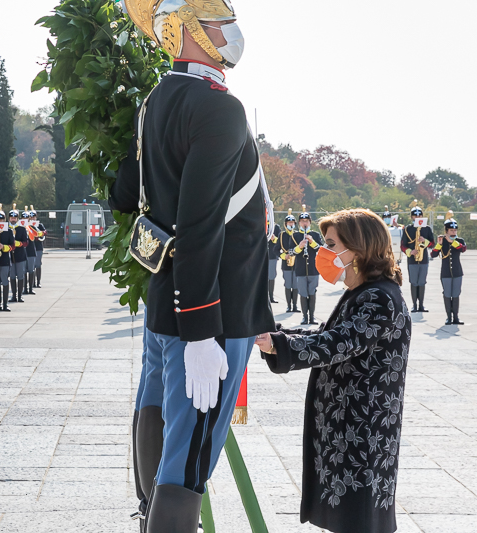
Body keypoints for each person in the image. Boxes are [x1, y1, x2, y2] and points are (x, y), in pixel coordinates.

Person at [111, 2, 275, 530]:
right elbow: (201, 224)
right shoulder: (219, 108)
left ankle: (145, 515)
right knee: (189, 457)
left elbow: (123, 194)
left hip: (165, 304)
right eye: (216, 20)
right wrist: (203, 331)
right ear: (184, 29)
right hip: (210, 312)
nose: (230, 32)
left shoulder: (155, 101)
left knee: (155, 412)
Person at [255, 208, 411, 533]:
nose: (323, 252)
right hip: (345, 433)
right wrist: (273, 334)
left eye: (330, 244)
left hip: (363, 438)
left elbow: (338, 343)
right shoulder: (361, 293)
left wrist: (278, 346)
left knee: (359, 521)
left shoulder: (379, 298)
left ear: (357, 249)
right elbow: (324, 335)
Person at [432, 217, 466, 325]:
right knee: (447, 294)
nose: (453, 232)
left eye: (455, 230)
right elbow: (433, 254)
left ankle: (455, 317)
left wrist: (452, 242)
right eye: (451, 230)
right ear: (446, 231)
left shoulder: (459, 240)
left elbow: (463, 249)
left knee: (455, 294)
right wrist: (439, 244)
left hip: (457, 272)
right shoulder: (442, 241)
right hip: (446, 272)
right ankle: (448, 317)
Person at [400, 205, 434, 312]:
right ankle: (414, 305)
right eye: (415, 215)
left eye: (420, 215)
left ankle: (421, 305)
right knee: (414, 282)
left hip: (423, 259)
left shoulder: (427, 228)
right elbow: (403, 245)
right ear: (412, 217)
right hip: (412, 260)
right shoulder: (408, 229)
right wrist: (410, 252)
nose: (418, 217)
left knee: (422, 282)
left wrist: (425, 241)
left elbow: (433, 243)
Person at [293, 207, 323, 325]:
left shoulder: (315, 235)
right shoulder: (295, 236)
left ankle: (312, 317)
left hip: (313, 269)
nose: (304, 223)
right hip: (300, 269)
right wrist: (300, 247)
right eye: (302, 221)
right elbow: (291, 252)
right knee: (303, 293)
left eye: (306, 221)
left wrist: (312, 242)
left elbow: (321, 249)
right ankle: (305, 317)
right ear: (299, 223)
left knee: (312, 292)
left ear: (310, 222)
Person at [0, 204, 15, 313]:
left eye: (1, 219)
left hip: (4, 260)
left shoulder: (8, 231)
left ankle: (5, 304)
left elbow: (13, 246)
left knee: (5, 281)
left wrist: (3, 247)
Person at [280, 209, 302, 313]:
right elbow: (277, 249)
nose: (291, 224)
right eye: (289, 223)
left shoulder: (297, 235)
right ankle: (289, 305)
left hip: (296, 264)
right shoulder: (282, 235)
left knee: (295, 286)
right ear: (285, 224)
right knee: (288, 285)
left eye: (293, 223)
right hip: (286, 264)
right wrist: (284, 256)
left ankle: (295, 305)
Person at [7, 204, 29, 303]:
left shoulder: (21, 229)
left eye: (15, 218)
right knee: (12, 276)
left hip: (20, 255)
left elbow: (26, 242)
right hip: (10, 256)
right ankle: (13, 295)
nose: (13, 219)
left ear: (17, 219)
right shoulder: (6, 229)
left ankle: (20, 295)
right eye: (11, 218)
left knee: (20, 276)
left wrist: (18, 243)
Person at [22, 207, 37, 296]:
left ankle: (31, 288)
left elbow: (37, 234)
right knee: (23, 271)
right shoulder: (19, 228)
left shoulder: (31, 227)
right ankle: (24, 288)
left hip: (30, 251)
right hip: (22, 252)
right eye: (23, 218)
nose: (25, 220)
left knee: (31, 270)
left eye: (26, 218)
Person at [32, 206, 47, 288]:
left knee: (38, 264)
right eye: (31, 217)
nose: (32, 218)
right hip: (30, 247)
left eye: (34, 216)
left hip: (38, 247)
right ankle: (32, 282)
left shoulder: (39, 225)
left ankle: (38, 282)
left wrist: (40, 233)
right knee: (31, 266)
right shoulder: (27, 226)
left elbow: (45, 232)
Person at [267, 220, 281, 303]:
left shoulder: (276, 227)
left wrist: (274, 238)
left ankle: (271, 297)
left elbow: (280, 241)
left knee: (271, 276)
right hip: (261, 255)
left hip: (272, 255)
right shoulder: (260, 223)